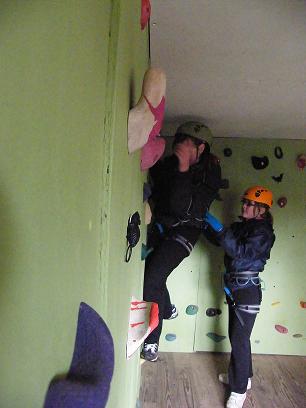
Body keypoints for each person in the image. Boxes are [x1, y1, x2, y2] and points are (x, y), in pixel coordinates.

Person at [141, 121, 224, 362]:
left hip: (186, 231)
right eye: (182, 142)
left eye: (192, 144)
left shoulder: (210, 171)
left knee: (151, 278)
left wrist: (184, 167)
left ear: (202, 150)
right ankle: (166, 308)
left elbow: (181, 206)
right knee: (151, 272)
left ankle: (152, 341)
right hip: (162, 224)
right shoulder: (172, 164)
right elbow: (157, 181)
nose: (184, 147)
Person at [204, 186, 275, 408]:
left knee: (239, 339)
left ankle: (239, 390)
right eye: (244, 202)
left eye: (249, 204)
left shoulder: (263, 233)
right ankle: (244, 376)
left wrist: (218, 227)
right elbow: (220, 240)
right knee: (238, 337)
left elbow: (239, 252)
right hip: (235, 288)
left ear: (261, 210)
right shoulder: (242, 227)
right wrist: (202, 221)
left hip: (247, 290)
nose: (243, 205)